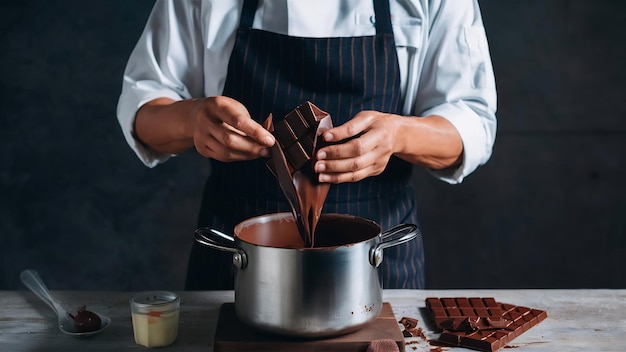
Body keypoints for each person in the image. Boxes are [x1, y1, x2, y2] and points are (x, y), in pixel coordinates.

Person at [117, 0, 497, 290]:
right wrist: (191, 119)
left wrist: (399, 135)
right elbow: (145, 112)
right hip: (237, 261)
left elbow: (472, 124)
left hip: (377, 263)